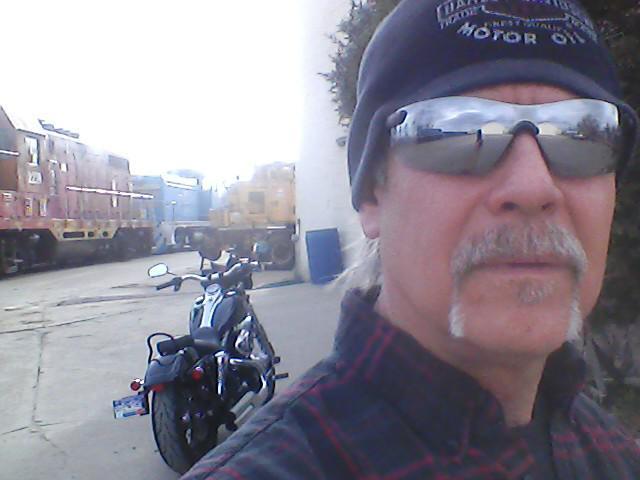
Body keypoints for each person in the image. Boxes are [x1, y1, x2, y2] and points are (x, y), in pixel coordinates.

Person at [182, 0, 640, 478]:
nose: (533, 187)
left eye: (584, 134)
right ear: (372, 197)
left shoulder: (612, 453)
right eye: (460, 129)